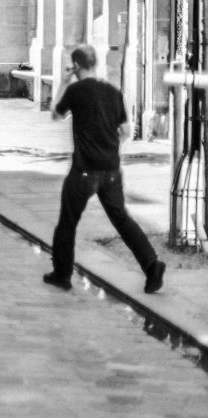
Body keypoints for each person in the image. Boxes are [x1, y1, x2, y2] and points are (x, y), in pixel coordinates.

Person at [43, 44, 165, 294]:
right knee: (123, 220)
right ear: (95, 63)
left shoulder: (76, 90)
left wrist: (63, 82)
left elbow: (55, 114)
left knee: (67, 222)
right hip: (111, 170)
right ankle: (152, 266)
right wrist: (108, 146)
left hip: (84, 170)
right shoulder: (113, 92)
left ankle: (62, 274)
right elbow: (126, 131)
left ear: (76, 66)